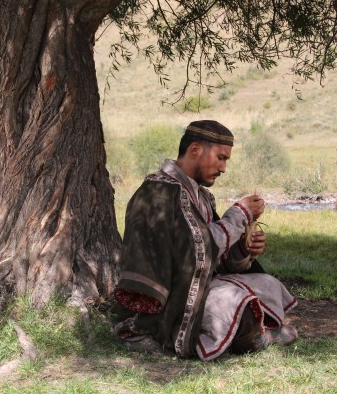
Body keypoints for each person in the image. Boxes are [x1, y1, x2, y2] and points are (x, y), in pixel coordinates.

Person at [112, 120, 298, 360]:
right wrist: (237, 216)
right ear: (195, 149)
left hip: (199, 286)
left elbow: (213, 259)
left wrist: (243, 250)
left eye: (226, 160)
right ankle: (255, 337)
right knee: (235, 306)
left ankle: (251, 334)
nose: (223, 168)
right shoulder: (158, 192)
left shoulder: (201, 197)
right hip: (170, 299)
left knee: (268, 284)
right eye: (221, 158)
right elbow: (195, 252)